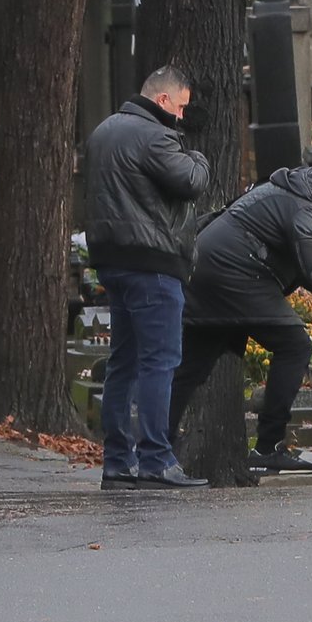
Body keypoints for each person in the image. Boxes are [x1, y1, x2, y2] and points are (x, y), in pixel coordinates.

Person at [169, 152, 312, 475]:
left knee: (193, 366)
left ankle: (153, 449)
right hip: (233, 271)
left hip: (213, 267)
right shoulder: (308, 207)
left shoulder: (309, 190)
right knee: (295, 345)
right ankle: (267, 447)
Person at [84, 65, 210, 490]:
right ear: (162, 101)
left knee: (123, 362)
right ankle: (157, 459)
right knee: (160, 361)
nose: (181, 116)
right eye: (180, 106)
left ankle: (117, 462)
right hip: (153, 262)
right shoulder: (155, 135)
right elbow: (190, 181)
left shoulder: (103, 131)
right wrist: (200, 157)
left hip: (112, 260)